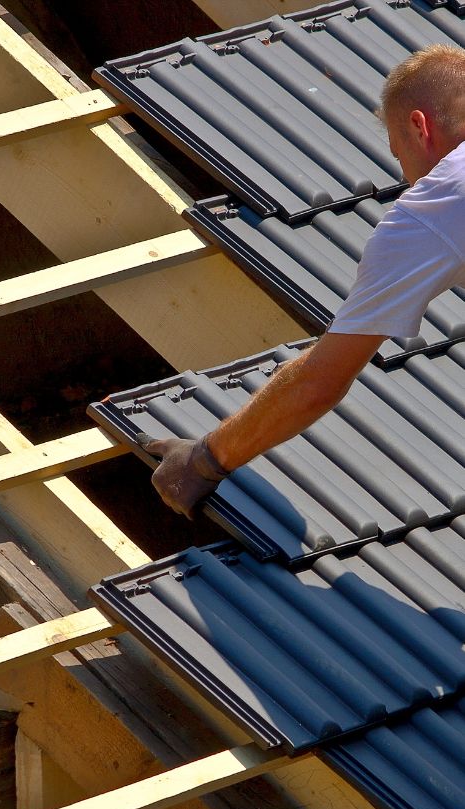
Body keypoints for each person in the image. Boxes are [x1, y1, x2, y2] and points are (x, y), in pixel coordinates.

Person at [143, 44, 465, 519]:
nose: (405, 179)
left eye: (400, 157)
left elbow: (319, 381)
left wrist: (203, 460)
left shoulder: (432, 209)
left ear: (420, 127)